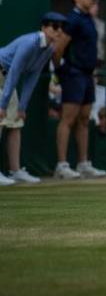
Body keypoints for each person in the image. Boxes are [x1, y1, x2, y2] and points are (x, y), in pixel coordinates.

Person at [0, 12, 67, 185]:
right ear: (44, 28)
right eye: (54, 27)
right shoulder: (30, 43)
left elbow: (33, 75)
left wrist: (22, 106)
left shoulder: (49, 48)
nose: (59, 31)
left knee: (16, 122)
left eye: (61, 28)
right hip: (3, 73)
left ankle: (15, 171)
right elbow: (15, 71)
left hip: (6, 79)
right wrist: (3, 104)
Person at [53, 0, 106, 179]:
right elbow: (58, 48)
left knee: (84, 119)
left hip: (87, 75)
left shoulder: (88, 19)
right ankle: (61, 165)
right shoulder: (73, 19)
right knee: (68, 119)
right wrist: (61, 71)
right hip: (74, 74)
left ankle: (83, 163)